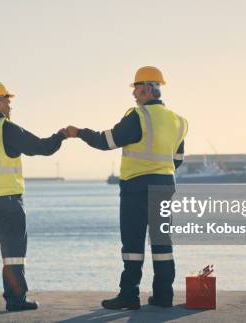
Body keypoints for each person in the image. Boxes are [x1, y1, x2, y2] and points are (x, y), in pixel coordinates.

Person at [64, 66, 187, 309]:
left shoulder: (138, 117)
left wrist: (79, 133)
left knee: (132, 245)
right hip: (164, 187)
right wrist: (160, 172)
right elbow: (178, 158)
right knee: (163, 244)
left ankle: (129, 296)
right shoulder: (178, 121)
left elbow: (106, 141)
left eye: (137, 90)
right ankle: (164, 296)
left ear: (149, 89)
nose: (134, 95)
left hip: (137, 188)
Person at [0, 80, 67, 311]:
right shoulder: (5, 128)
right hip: (7, 199)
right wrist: (60, 135)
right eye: (8, 103)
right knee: (13, 251)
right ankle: (16, 300)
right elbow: (42, 147)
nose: (10, 108)